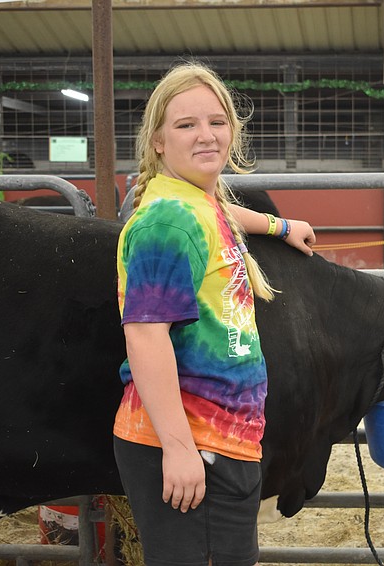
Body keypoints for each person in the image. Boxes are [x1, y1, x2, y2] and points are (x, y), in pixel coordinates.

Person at [113, 61, 316, 566]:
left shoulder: (198, 201)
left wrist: (279, 224)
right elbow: (145, 336)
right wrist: (179, 449)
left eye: (216, 121)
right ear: (158, 140)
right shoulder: (168, 221)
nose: (206, 136)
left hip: (218, 441)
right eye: (186, 125)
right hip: (190, 444)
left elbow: (223, 211)